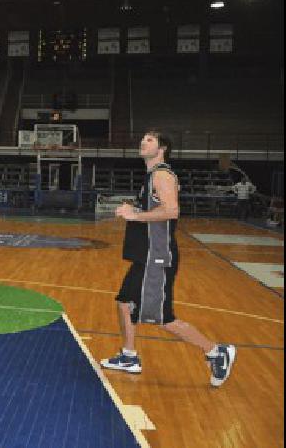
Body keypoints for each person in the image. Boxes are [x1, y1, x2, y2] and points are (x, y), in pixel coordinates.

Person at [102, 130, 237, 388]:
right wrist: (136, 209)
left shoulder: (162, 175)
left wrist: (135, 215)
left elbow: (172, 210)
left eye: (150, 140)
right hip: (146, 256)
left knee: (162, 318)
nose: (143, 142)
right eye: (143, 139)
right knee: (125, 302)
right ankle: (129, 356)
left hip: (157, 257)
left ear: (162, 148)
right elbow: (157, 208)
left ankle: (216, 351)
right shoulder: (152, 176)